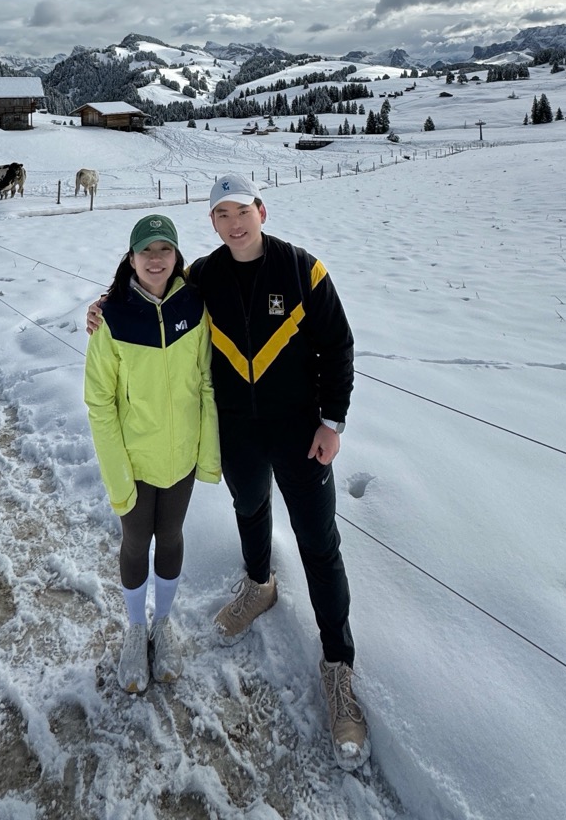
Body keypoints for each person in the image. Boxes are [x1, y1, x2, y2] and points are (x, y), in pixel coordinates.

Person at [89, 177, 369, 769]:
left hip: (300, 432)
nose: (235, 223)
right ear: (212, 224)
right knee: (250, 510)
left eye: (243, 211)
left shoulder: (303, 270)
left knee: (320, 544)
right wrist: (100, 307)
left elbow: (339, 344)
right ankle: (259, 584)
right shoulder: (206, 278)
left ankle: (339, 671)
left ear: (260, 211)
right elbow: (148, 292)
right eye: (222, 215)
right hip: (239, 429)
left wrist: (332, 420)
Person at [84, 214, 221, 694]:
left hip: (180, 457)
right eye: (147, 251)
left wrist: (207, 454)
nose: (157, 259)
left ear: (178, 256)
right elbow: (99, 402)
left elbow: (204, 381)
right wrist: (117, 473)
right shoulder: (113, 318)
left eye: (166, 249)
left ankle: (162, 624)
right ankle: (135, 628)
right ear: (132, 258)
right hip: (135, 463)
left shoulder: (195, 306)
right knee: (136, 541)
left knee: (173, 535)